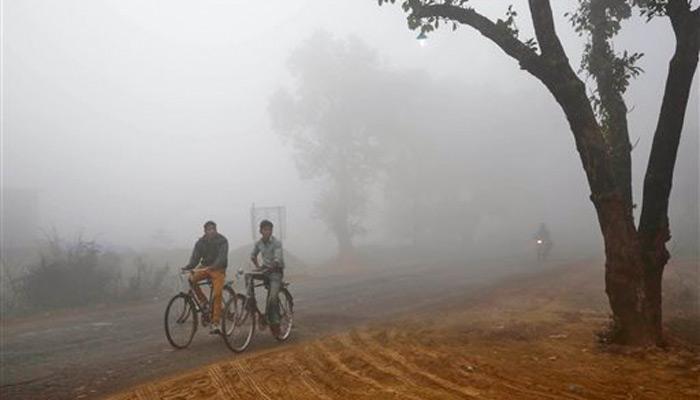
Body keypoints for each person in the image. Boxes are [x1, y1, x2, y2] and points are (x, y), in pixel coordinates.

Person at [183, 220, 229, 334]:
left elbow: (222, 257)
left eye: (213, 229)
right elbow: (195, 258)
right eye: (208, 229)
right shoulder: (200, 243)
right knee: (192, 279)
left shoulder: (222, 241)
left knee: (217, 294)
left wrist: (215, 266)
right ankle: (204, 302)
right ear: (205, 231)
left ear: (216, 230)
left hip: (218, 269)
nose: (211, 231)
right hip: (204, 267)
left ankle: (215, 323)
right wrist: (188, 267)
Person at [250, 219, 285, 338]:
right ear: (261, 231)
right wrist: (258, 267)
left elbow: (278, 259)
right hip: (265, 270)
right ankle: (250, 302)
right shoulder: (259, 243)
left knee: (272, 299)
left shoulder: (277, 242)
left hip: (276, 272)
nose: (267, 231)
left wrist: (273, 265)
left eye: (269, 229)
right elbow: (253, 255)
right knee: (248, 277)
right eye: (265, 229)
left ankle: (275, 325)